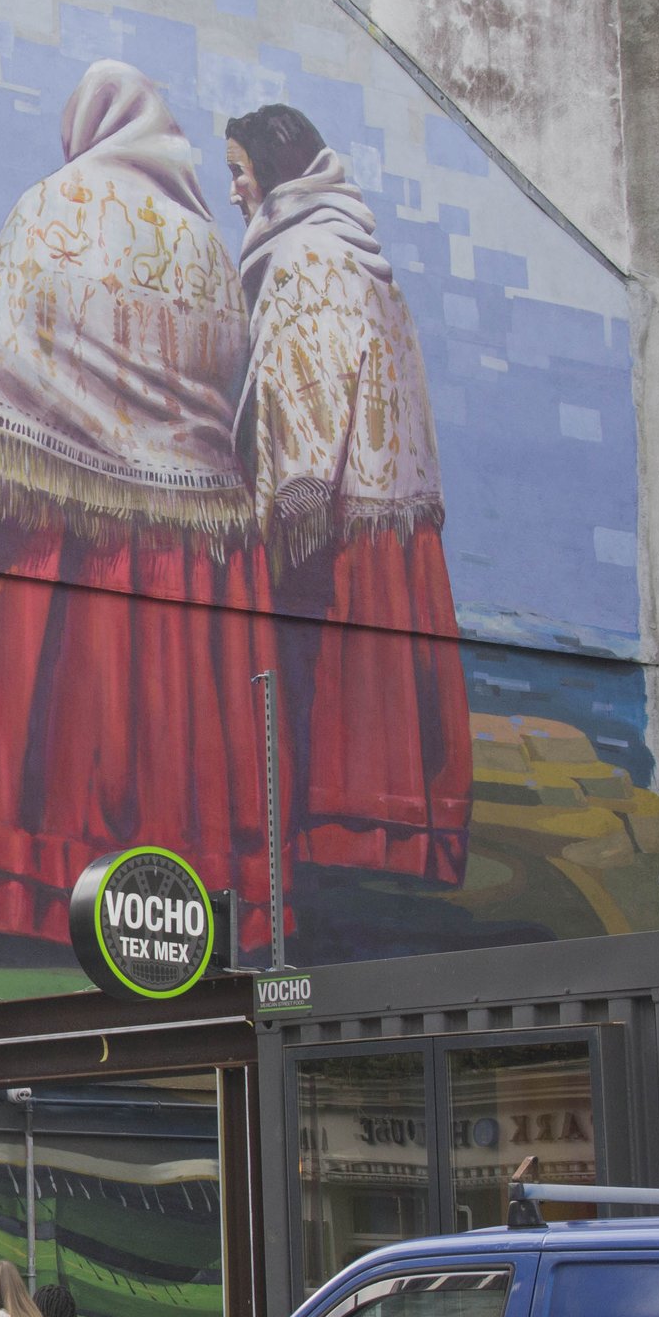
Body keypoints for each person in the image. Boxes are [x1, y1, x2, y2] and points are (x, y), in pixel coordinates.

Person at [0, 59, 276, 956]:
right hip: (190, 553)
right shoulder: (208, 248)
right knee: (169, 750)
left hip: (72, 542)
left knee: (64, 736)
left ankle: (25, 894)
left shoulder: (51, 207)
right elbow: (238, 394)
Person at [225, 103, 470, 888]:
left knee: (333, 703)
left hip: (334, 538)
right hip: (392, 523)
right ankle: (399, 855)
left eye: (239, 172)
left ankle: (345, 856)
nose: (233, 190)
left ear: (275, 175)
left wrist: (280, 507)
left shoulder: (304, 258)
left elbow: (310, 394)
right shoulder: (366, 260)